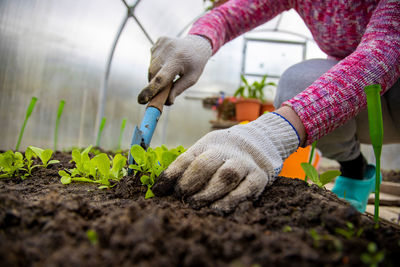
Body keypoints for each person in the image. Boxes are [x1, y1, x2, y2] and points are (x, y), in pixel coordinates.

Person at [137, 0, 400, 213]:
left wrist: (272, 132)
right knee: (298, 82)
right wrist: (199, 41)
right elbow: (231, 15)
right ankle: (355, 170)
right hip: (355, 95)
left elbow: (387, 46)